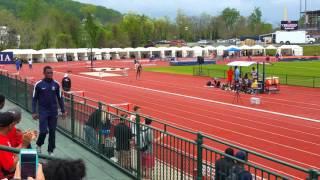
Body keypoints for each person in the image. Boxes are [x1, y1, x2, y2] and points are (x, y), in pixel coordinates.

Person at [32, 66, 66, 156]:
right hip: (43, 112)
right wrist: (34, 112)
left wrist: (63, 111)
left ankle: (50, 151)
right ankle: (38, 145)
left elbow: (60, 98)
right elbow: (34, 99)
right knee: (43, 131)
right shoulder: (38, 84)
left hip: (53, 112)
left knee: (52, 132)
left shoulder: (57, 84)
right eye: (48, 73)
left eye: (51, 72)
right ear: (44, 73)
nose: (50, 74)